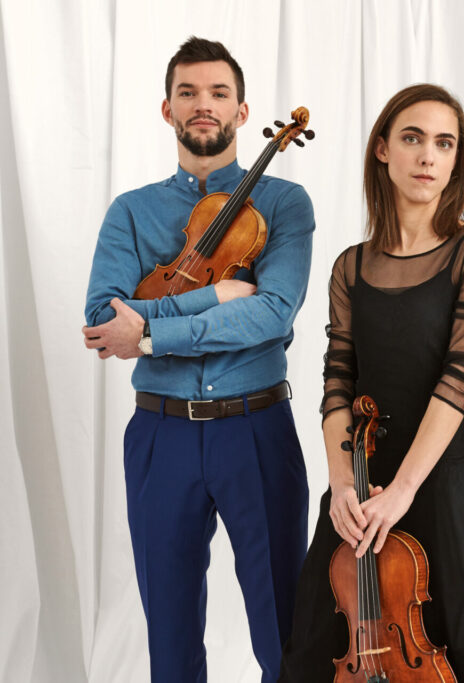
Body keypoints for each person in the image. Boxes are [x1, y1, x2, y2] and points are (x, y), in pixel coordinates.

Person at [278, 83, 464, 682]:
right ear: (383, 149)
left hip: (443, 484)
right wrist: (341, 484)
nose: (428, 156)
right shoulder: (351, 266)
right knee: (322, 649)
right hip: (362, 485)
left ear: (456, 161)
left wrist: (401, 492)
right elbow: (337, 382)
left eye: (445, 144)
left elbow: (460, 380)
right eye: (413, 138)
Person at [82, 37, 314, 683]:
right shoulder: (131, 211)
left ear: (243, 111)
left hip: (256, 428)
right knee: (170, 635)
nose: (202, 104)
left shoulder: (285, 204)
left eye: (218, 92)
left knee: (284, 633)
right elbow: (102, 319)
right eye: (187, 92)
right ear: (167, 110)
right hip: (161, 435)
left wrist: (150, 333)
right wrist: (217, 294)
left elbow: (273, 314)